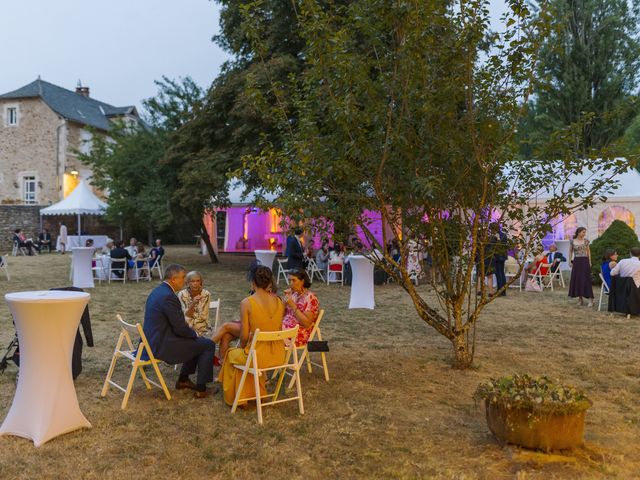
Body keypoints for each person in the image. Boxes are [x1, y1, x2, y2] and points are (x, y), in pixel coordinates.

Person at [144, 264, 217, 398]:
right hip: (161, 344)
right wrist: (194, 334)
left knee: (197, 343)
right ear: (173, 279)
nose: (184, 281)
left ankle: (183, 380)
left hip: (152, 340)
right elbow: (179, 327)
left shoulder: (158, 291)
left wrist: (192, 335)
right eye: (183, 277)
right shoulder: (169, 296)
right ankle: (201, 389)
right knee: (208, 345)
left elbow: (177, 324)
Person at [218, 266, 285, 406]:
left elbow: (243, 336)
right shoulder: (280, 301)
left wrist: (243, 347)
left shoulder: (247, 302)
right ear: (269, 283)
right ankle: (256, 394)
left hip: (257, 357)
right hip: (278, 356)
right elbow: (278, 329)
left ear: (253, 283)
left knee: (232, 355)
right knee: (245, 358)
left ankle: (240, 399)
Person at [282, 269, 320, 346]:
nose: (291, 284)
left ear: (302, 281)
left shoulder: (310, 297)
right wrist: (284, 301)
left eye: (294, 280)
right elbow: (281, 315)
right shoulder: (293, 295)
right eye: (290, 280)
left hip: (299, 334)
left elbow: (306, 324)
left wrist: (292, 305)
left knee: (269, 337)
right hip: (285, 330)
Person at [177, 271, 211, 336]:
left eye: (198, 281)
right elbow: (187, 315)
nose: (195, 283)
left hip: (202, 327)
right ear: (187, 283)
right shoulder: (182, 294)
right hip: (187, 327)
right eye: (192, 281)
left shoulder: (206, 294)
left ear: (201, 282)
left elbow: (203, 316)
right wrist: (193, 303)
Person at [568, 227, 594, 307]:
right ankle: (580, 299)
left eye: (585, 232)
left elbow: (588, 251)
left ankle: (590, 300)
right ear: (578, 232)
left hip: (584, 261)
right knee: (578, 279)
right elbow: (570, 251)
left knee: (586, 279)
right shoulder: (572, 241)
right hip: (576, 262)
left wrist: (589, 261)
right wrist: (569, 261)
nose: (584, 234)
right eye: (583, 232)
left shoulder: (586, 241)